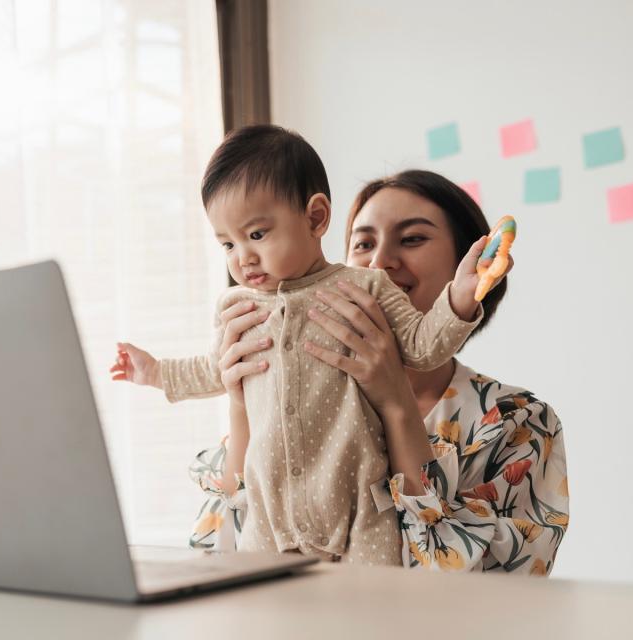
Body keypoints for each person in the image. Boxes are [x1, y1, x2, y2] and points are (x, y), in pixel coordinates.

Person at [111, 127, 499, 565]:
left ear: (316, 219)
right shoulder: (236, 309)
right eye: (227, 244)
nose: (242, 257)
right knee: (262, 610)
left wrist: (461, 297)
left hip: (360, 511)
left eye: (256, 235)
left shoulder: (365, 287)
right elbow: (212, 371)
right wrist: (155, 372)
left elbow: (424, 345)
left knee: (371, 609)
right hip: (268, 519)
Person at [186, 169, 568, 574]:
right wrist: (241, 406)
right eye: (363, 243)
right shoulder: (291, 408)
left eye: (412, 239)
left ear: (466, 267)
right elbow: (216, 554)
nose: (380, 263)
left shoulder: (516, 421)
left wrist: (396, 403)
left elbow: (488, 589)